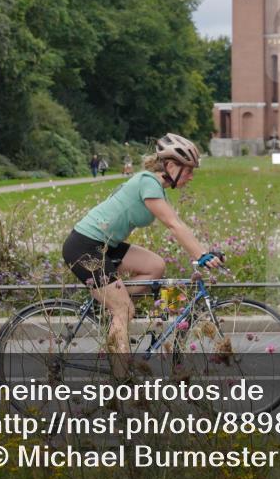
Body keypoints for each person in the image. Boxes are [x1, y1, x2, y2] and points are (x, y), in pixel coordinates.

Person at [62, 134, 223, 375]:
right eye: (188, 170)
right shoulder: (148, 182)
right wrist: (202, 255)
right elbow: (173, 224)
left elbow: (175, 223)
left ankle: (109, 304)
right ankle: (120, 381)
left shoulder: (155, 187)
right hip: (84, 246)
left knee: (155, 266)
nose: (191, 176)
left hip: (105, 244)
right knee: (123, 309)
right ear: (170, 166)